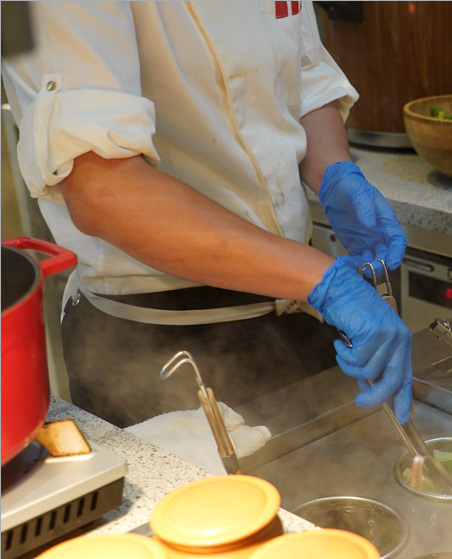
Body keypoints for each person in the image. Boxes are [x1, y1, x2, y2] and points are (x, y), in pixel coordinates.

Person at [1, 1, 413, 428]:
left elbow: (302, 77)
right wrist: (326, 282)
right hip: (160, 347)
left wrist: (333, 170)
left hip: (296, 309)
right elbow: (102, 191)